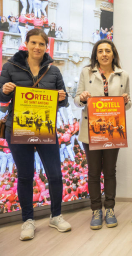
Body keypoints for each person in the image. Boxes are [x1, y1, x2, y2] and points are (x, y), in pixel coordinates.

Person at [0, 29, 71, 241]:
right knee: (25, 176)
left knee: (56, 175)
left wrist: (62, 97)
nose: (37, 47)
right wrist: (4, 90)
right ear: (26, 43)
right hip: (18, 128)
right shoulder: (10, 67)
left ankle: (56, 215)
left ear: (46, 46)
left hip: (45, 128)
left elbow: (65, 101)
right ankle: (28, 220)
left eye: (41, 44)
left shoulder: (53, 70)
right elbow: (0, 98)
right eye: (33, 43)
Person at [74, 39, 131, 230]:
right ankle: (96, 210)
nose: (104, 54)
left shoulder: (124, 75)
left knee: (110, 172)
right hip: (91, 130)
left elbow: (128, 104)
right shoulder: (86, 72)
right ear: (96, 54)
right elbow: (76, 99)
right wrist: (81, 98)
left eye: (108, 50)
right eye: (100, 51)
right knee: (93, 173)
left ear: (113, 53)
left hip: (113, 131)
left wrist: (126, 101)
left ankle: (110, 209)